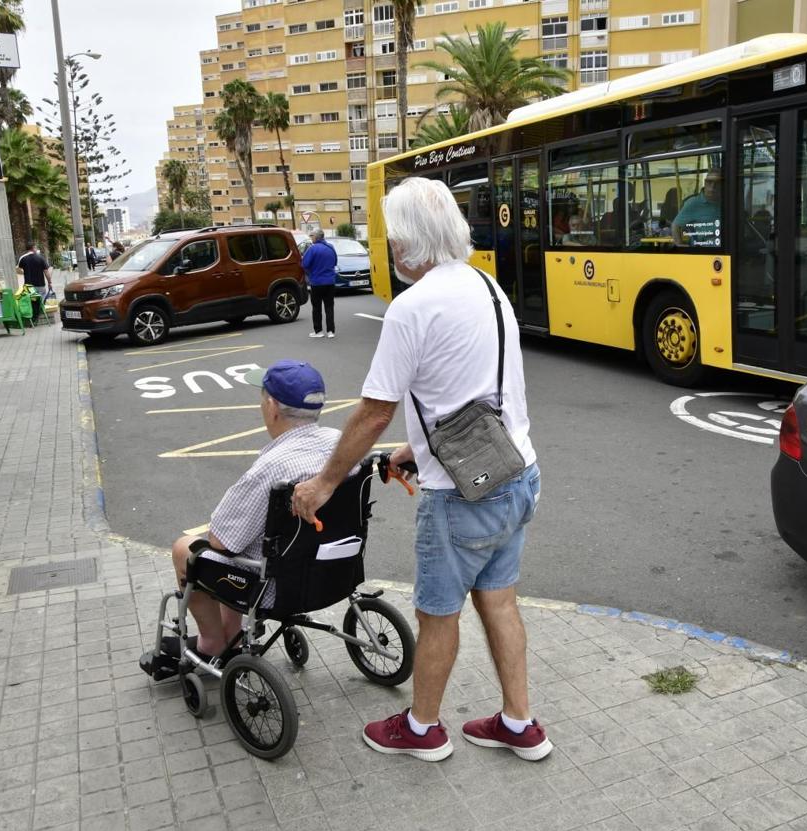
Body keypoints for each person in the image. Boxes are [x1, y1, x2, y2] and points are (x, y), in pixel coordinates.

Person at [291, 177, 548, 764]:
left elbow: (374, 411)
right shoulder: (487, 286)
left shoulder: (412, 307)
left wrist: (325, 481)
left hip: (463, 496)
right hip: (515, 471)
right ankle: (519, 723)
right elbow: (478, 386)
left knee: (437, 614)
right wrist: (419, 447)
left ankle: (423, 728)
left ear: (407, 244)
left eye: (390, 240)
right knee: (501, 602)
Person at [161, 360, 339, 663]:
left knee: (186, 549)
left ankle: (212, 642)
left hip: (277, 584)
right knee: (241, 545)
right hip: (332, 570)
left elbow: (221, 541)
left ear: (272, 407)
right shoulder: (340, 445)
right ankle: (233, 632)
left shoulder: (273, 467)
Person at [302, 228, 338, 338]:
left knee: (316, 308)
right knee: (329, 307)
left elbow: (305, 264)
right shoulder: (331, 247)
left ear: (316, 237)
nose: (311, 238)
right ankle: (331, 331)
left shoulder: (312, 249)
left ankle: (318, 331)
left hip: (317, 283)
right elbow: (335, 262)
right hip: (330, 282)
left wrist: (310, 273)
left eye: (312, 236)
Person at [672, 171, 722, 246]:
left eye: (717, 183)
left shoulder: (727, 201)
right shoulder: (694, 203)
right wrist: (679, 244)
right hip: (706, 248)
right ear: (705, 183)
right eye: (709, 182)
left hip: (727, 245)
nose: (712, 186)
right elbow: (675, 225)